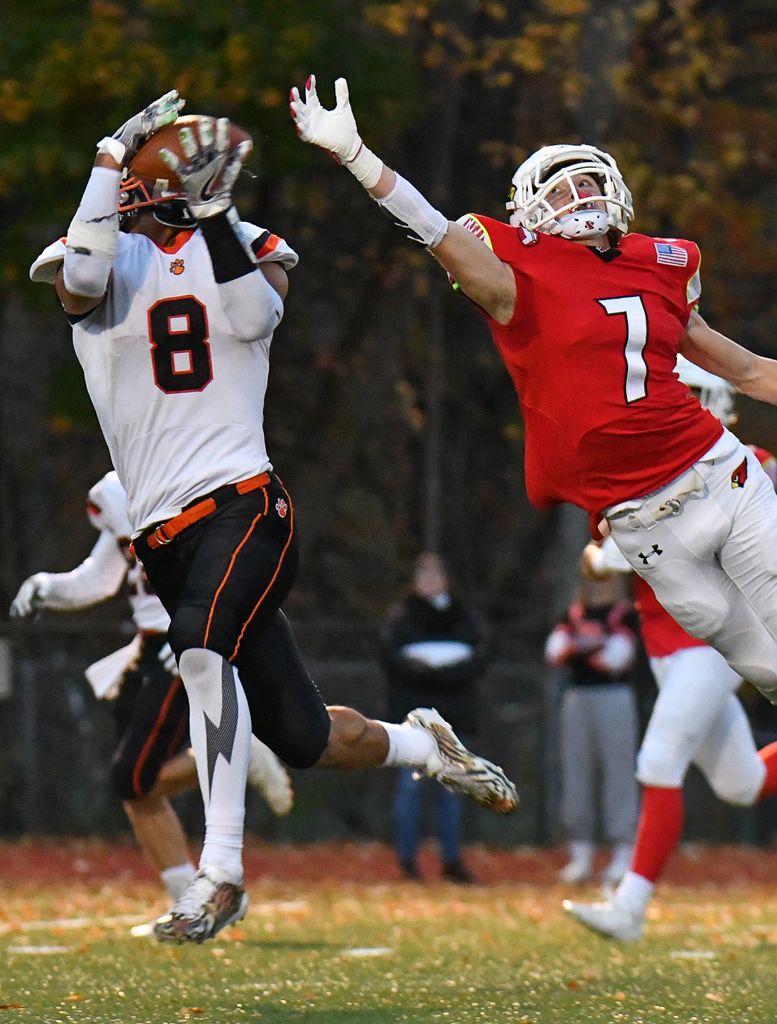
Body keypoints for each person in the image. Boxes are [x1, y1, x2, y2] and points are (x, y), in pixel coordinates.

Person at [30, 91, 517, 943]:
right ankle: (420, 747)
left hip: (245, 505)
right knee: (298, 735)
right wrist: (109, 155)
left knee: (199, 646)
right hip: (165, 533)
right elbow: (77, 274)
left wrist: (216, 219)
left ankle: (220, 873)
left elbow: (259, 312)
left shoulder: (234, 248)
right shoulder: (98, 262)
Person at [290, 78, 777, 750]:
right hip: (636, 521)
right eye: (561, 192)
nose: (579, 200)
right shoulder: (518, 278)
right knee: (762, 665)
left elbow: (747, 370)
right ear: (526, 215)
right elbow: (433, 230)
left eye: (586, 185)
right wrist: (358, 157)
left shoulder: (658, 266)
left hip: (718, 473)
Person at [9, 471, 294, 904]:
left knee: (133, 777)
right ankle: (187, 898)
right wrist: (50, 588)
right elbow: (101, 579)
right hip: (147, 647)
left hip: (184, 644)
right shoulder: (115, 491)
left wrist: (195, 629)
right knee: (133, 790)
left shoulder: (199, 477)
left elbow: (229, 568)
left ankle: (237, 749)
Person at [565, 359, 777, 939]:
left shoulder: (747, 465)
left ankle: (630, 906)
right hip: (668, 651)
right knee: (740, 783)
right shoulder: (650, 468)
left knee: (658, 760)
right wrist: (606, 547)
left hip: (713, 647)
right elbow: (601, 560)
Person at [382, 553, 488, 883]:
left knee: (453, 790)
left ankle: (451, 860)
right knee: (409, 791)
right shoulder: (400, 618)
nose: (429, 582)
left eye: (435, 574)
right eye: (423, 575)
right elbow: (392, 659)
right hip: (412, 721)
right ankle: (406, 861)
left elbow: (480, 656)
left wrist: (443, 676)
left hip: (454, 719)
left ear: (445, 579)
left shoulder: (463, 616)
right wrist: (429, 675)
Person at [545, 564, 638, 886]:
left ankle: (624, 852)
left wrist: (577, 648)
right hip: (577, 698)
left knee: (619, 774)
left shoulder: (625, 614)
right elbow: (554, 652)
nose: (600, 584)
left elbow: (617, 658)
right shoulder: (572, 614)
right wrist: (582, 648)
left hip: (614, 696)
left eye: (606, 576)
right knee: (576, 773)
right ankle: (580, 854)